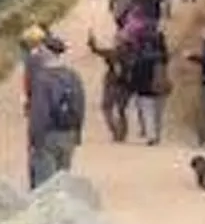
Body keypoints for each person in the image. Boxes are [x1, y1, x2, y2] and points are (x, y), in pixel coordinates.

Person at [28, 34, 86, 188]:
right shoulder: (73, 76)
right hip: (68, 134)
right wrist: (77, 133)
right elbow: (80, 105)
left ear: (47, 52)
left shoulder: (42, 78)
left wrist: (35, 140)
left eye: (40, 50)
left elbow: (40, 113)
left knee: (44, 185)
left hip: (48, 135)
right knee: (62, 181)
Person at [122, 0, 171, 144]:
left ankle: (150, 134)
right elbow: (166, 57)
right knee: (158, 108)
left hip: (143, 74)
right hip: (159, 75)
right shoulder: (159, 39)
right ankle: (156, 133)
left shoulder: (138, 43)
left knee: (145, 104)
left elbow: (130, 52)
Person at [86, 28, 131, 142]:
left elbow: (96, 50)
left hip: (112, 82)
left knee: (107, 107)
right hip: (126, 85)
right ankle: (122, 133)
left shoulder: (112, 53)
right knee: (121, 110)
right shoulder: (132, 53)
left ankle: (115, 131)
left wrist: (91, 42)